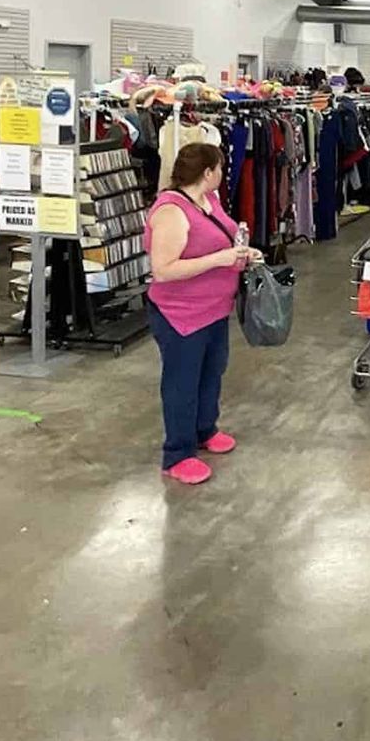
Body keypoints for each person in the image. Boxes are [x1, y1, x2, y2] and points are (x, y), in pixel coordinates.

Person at [144, 143, 261, 485]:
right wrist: (219, 260)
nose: (223, 175)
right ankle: (177, 453)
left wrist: (240, 254)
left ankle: (204, 428)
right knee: (182, 383)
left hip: (214, 309)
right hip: (180, 314)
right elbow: (163, 270)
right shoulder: (170, 211)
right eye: (220, 169)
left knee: (212, 372)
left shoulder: (209, 200)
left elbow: (218, 239)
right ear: (208, 172)